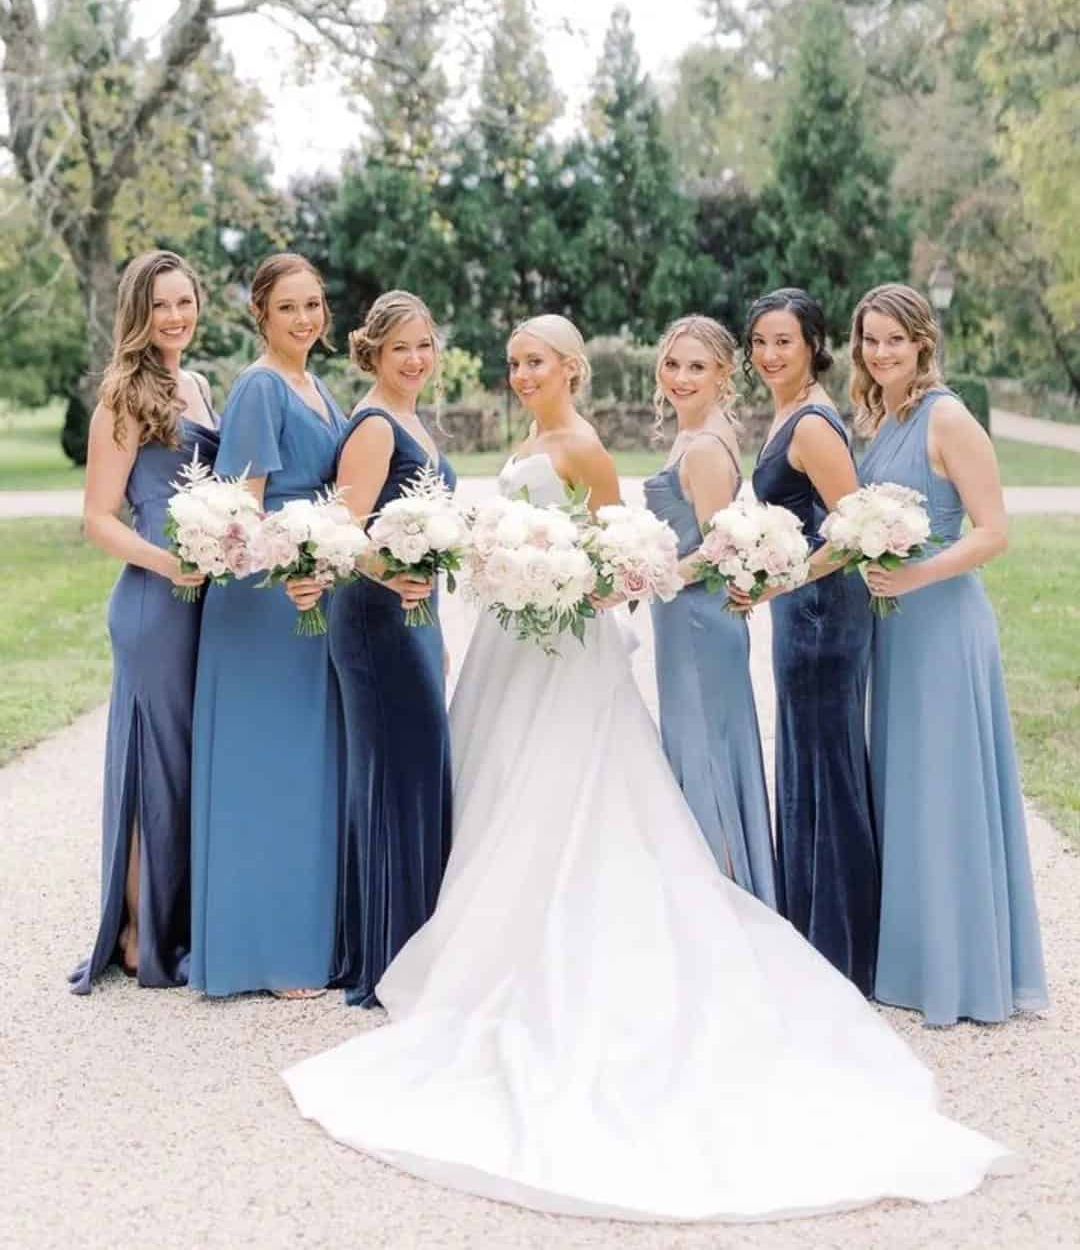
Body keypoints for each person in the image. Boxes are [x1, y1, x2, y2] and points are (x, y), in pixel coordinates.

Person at [282, 314, 1013, 1223]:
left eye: (535, 361)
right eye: (512, 362)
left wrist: (571, 573)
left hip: (565, 630)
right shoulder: (538, 439)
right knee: (500, 771)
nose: (520, 374)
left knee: (583, 778)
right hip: (517, 632)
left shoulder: (587, 446)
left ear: (572, 368)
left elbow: (605, 547)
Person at [852, 282, 1048, 1026]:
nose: (880, 352)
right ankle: (913, 958)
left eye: (894, 340)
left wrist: (917, 573)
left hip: (943, 623)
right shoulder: (885, 417)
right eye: (870, 340)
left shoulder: (948, 416)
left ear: (922, 342)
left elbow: (994, 531)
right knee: (906, 785)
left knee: (946, 788)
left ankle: (963, 972)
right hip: (894, 625)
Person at [289, 290, 454, 1007]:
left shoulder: (411, 416)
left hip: (411, 619)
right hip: (373, 621)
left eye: (424, 346)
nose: (415, 360)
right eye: (400, 350)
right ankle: (386, 951)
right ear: (374, 354)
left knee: (416, 768)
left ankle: (414, 942)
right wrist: (392, 575)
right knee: (393, 773)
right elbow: (342, 531)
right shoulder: (376, 426)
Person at [189, 253, 346, 999]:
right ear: (261, 312)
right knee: (270, 770)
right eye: (289, 307)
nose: (306, 319)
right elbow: (242, 510)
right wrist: (289, 574)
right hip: (264, 600)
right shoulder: (258, 386)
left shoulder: (315, 384)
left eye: (313, 304)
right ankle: (266, 949)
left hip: (307, 589)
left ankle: (302, 931)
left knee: (304, 766)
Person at [71, 250, 218, 993]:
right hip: (154, 602)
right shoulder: (123, 396)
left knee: (189, 761)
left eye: (185, 302)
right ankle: (136, 931)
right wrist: (167, 565)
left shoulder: (197, 385)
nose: (175, 317)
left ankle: (176, 919)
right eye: (161, 305)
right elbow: (99, 518)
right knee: (152, 763)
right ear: (139, 312)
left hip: (201, 602)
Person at [739, 287, 879, 994]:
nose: (768, 355)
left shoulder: (814, 424)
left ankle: (842, 947)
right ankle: (813, 933)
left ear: (813, 343)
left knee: (827, 768)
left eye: (783, 342)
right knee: (806, 763)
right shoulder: (787, 410)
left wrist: (776, 580)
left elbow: (854, 531)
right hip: (801, 608)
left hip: (823, 612)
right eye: (760, 342)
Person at [642, 315, 775, 903]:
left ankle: (726, 904)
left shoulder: (704, 447)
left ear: (724, 373)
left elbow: (719, 548)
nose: (681, 377)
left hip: (699, 621)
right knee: (697, 748)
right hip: (682, 617)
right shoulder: (694, 431)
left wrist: (647, 574)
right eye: (672, 364)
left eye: (697, 366)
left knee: (707, 757)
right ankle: (709, 898)